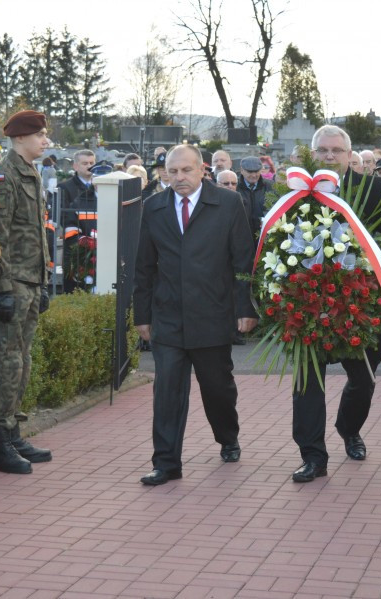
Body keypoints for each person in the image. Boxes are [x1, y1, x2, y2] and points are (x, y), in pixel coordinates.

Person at [290, 125, 381, 483]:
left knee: (363, 379)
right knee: (307, 382)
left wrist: (364, 264)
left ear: (349, 155)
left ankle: (349, 427)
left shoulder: (374, 189)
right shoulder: (295, 191)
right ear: (313, 155)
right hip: (307, 304)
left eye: (336, 151)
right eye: (322, 151)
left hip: (359, 303)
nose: (329, 157)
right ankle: (313, 456)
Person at [133, 144, 258, 485]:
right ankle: (166, 462)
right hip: (168, 317)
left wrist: (246, 308)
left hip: (213, 314)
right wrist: (141, 316)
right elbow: (143, 267)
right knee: (167, 391)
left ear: (202, 169)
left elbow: (242, 261)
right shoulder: (154, 207)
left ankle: (227, 436)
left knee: (217, 388)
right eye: (172, 172)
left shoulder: (229, 204)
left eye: (186, 171)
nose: (179, 178)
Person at [0, 110, 53, 474]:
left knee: (22, 360)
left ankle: (12, 431)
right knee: (7, 362)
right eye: (39, 134)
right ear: (20, 138)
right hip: (11, 284)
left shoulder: (32, 173)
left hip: (30, 282)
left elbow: (36, 234)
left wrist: (41, 283)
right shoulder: (3, 175)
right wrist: (3, 288)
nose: (45, 140)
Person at [236, 155, 270, 244]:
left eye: (257, 171)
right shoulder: (234, 186)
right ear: (242, 170)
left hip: (264, 238)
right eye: (250, 172)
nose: (254, 175)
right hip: (240, 238)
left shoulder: (270, 186)